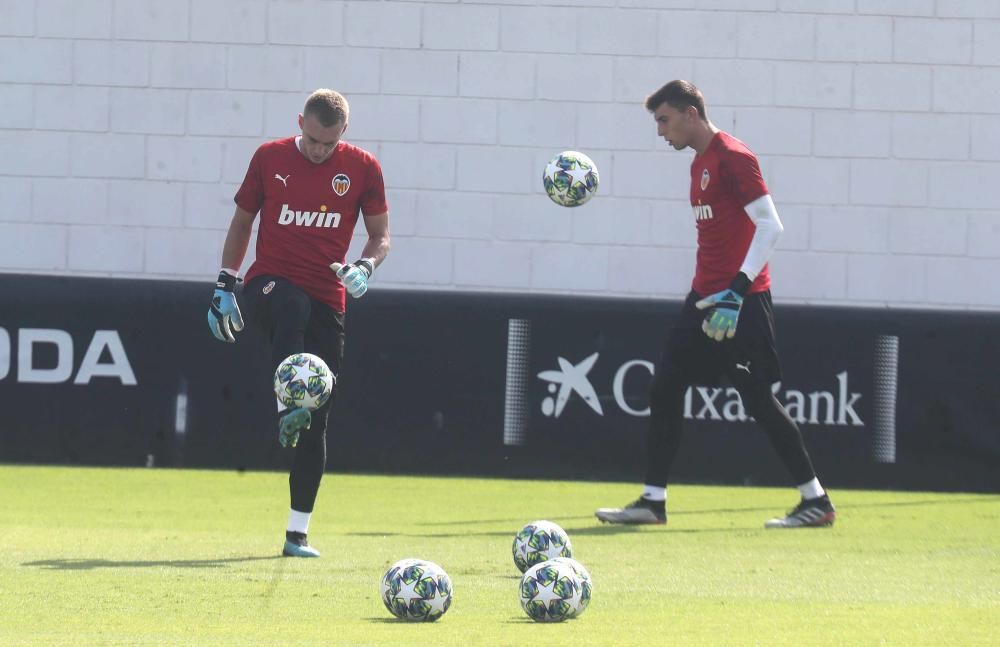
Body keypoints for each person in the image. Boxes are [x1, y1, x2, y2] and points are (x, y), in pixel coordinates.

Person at [595, 80, 835, 529]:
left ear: (690, 113)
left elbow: (771, 226)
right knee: (665, 387)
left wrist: (736, 292)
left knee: (759, 401)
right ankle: (653, 502)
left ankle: (815, 500)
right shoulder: (698, 164)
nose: (661, 132)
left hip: (738, 301)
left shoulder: (734, 156)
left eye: (664, 120)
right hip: (703, 300)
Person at [207, 89, 390, 556]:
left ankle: (296, 534)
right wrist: (225, 285)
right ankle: (284, 405)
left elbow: (380, 235)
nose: (317, 150)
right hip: (270, 284)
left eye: (328, 144)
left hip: (330, 295)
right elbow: (243, 221)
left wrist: (364, 268)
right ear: (300, 124)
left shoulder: (364, 168)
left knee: (318, 418)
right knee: (293, 306)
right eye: (311, 140)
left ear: (343, 134)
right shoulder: (269, 158)